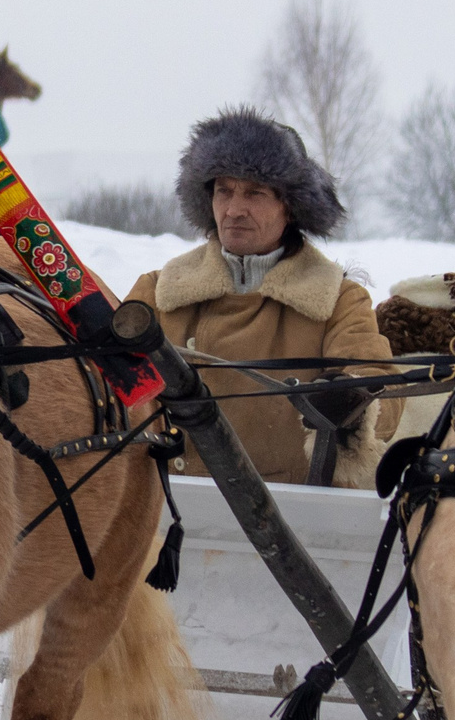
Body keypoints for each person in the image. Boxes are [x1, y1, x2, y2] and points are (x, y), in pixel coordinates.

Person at [124, 109, 392, 487]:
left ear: (291, 206)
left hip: (287, 522)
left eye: (255, 192)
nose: (234, 210)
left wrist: (353, 400)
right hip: (164, 515)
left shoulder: (338, 301)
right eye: (224, 191)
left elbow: (383, 385)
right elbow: (102, 386)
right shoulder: (157, 292)